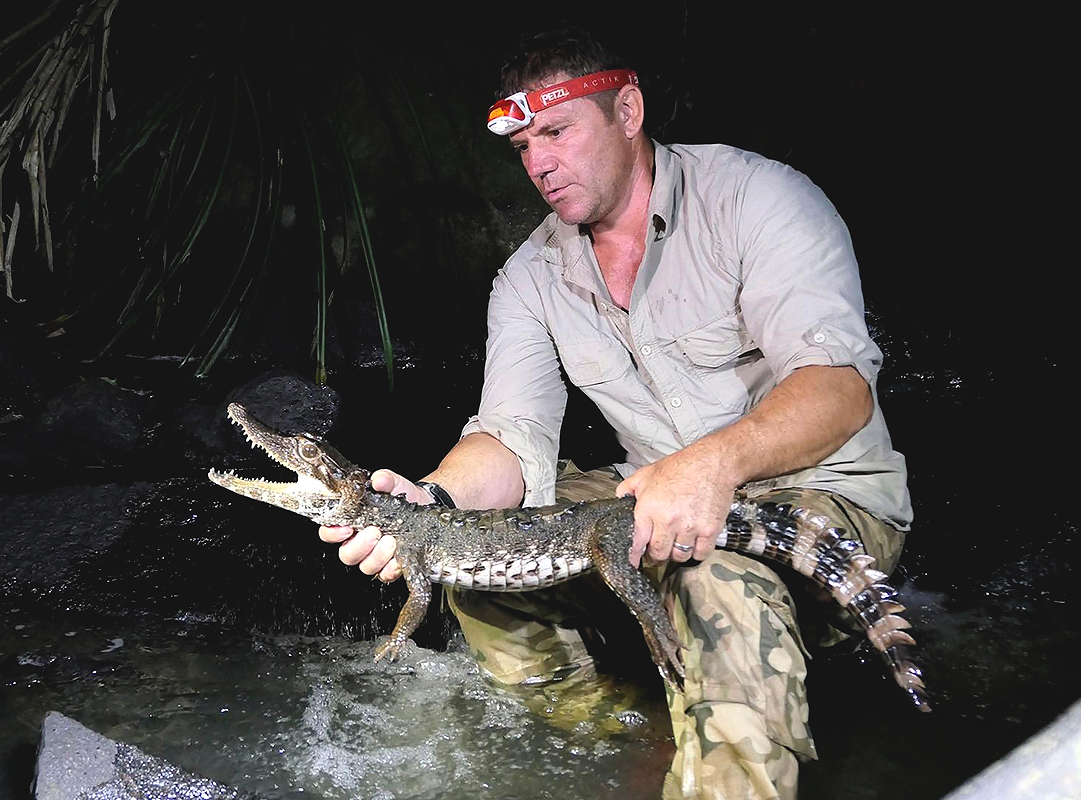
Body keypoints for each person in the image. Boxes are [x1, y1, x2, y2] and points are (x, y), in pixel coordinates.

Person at [320, 28, 912, 800]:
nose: (538, 163)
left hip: (821, 495)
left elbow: (838, 388)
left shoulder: (760, 199)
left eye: (557, 132)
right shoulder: (529, 275)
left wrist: (713, 464)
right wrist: (428, 501)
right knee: (475, 570)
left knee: (713, 581)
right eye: (525, 146)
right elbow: (510, 438)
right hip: (648, 499)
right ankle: (632, 743)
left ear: (627, 110)